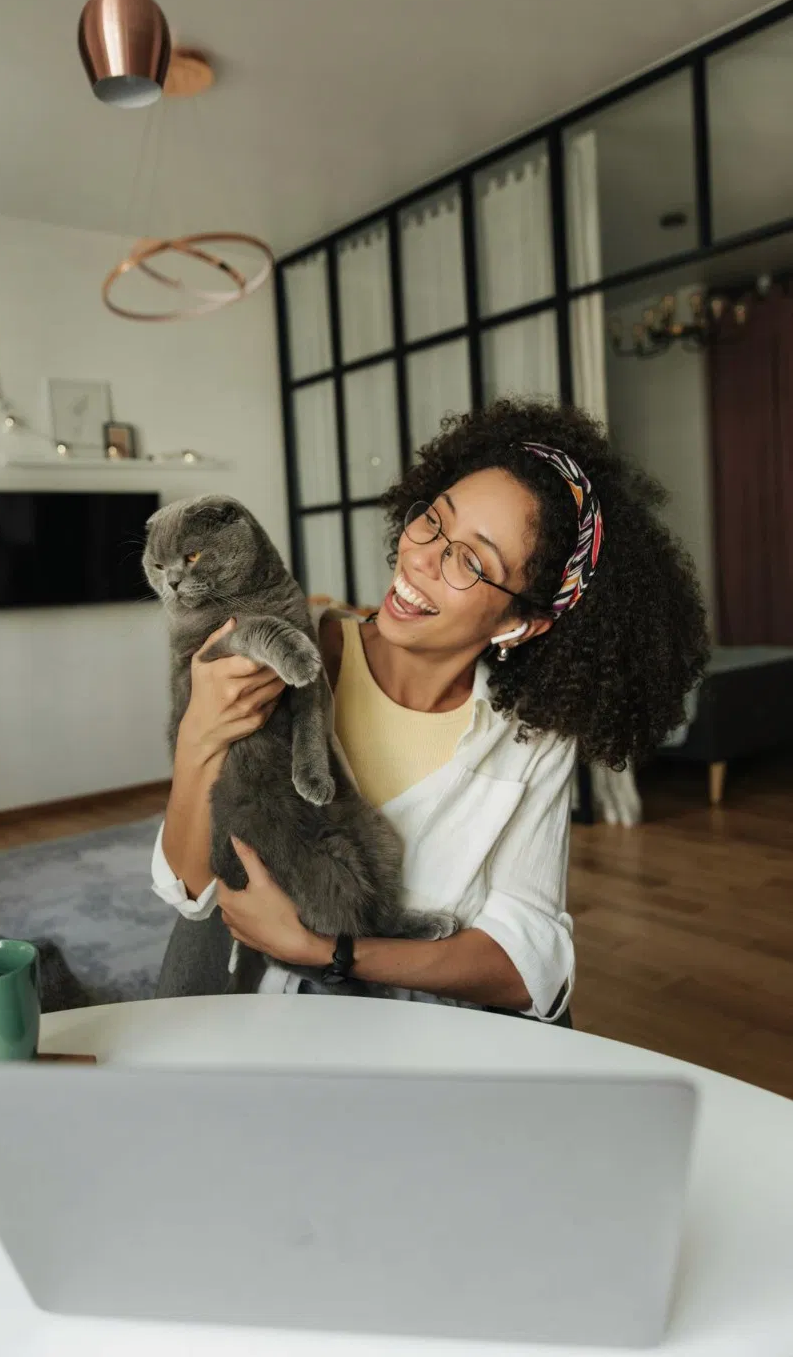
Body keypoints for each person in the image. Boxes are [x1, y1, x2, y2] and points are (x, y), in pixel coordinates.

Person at [150, 400, 708, 1020]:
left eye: (471, 561)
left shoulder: (529, 740)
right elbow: (190, 888)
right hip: (255, 1022)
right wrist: (198, 738)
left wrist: (328, 950)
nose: (422, 558)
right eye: (435, 522)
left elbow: (534, 969)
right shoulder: (287, 651)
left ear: (521, 623)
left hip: (419, 1039)